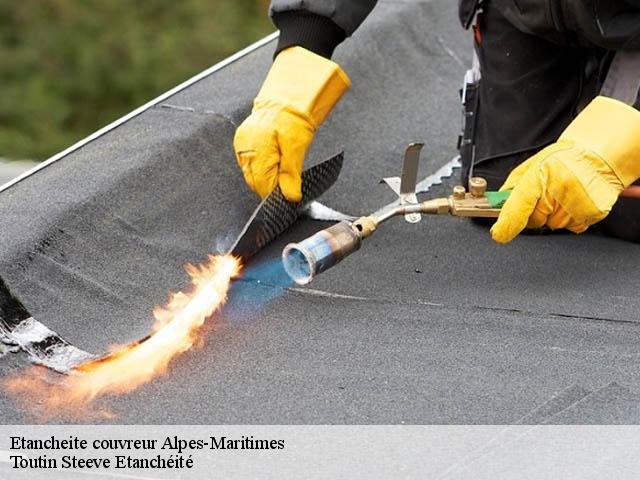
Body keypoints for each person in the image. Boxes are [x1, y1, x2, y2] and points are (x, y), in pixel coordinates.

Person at [233, 0, 640, 242]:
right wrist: (305, 42)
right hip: (530, 12)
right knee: (506, 200)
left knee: (617, 207)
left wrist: (620, 140)